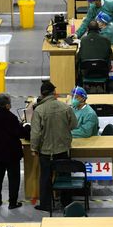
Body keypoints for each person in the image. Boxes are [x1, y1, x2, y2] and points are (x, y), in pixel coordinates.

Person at [30, 81, 77, 212]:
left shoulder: (39, 110)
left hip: (46, 152)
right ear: (53, 93)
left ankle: (46, 204)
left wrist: (34, 148)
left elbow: (35, 133)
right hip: (63, 149)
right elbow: (74, 125)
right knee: (65, 175)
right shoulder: (65, 107)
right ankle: (66, 202)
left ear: (42, 94)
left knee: (45, 178)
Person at [0, 93, 29, 209]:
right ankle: (12, 202)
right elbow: (20, 133)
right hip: (12, 153)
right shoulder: (11, 118)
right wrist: (26, 127)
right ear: (7, 105)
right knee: (13, 178)